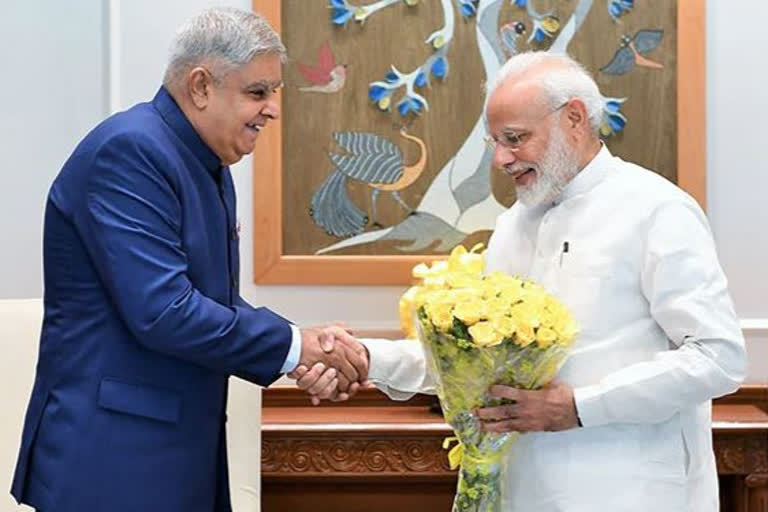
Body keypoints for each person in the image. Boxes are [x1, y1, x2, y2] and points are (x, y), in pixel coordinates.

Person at [293, 52, 747, 511]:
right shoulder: (514, 224)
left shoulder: (657, 209)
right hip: (525, 491)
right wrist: (366, 358)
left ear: (574, 118)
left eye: (515, 139)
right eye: (495, 141)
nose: (500, 159)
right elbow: (472, 361)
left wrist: (579, 407)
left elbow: (718, 357)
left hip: (632, 491)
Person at [11, 8, 367, 512]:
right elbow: (165, 312)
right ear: (201, 86)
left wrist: (301, 346)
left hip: (171, 454)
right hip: (112, 464)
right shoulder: (130, 151)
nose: (272, 110)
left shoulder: (203, 162)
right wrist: (298, 347)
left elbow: (213, 302)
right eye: (257, 92)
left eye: (274, 92)